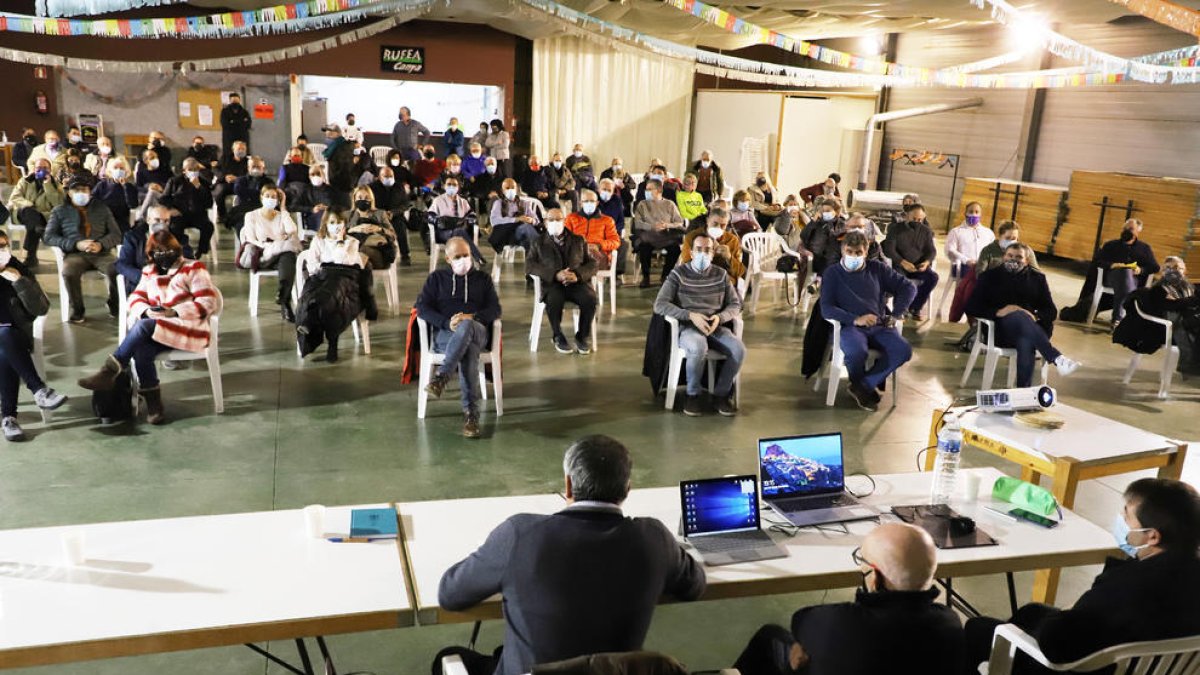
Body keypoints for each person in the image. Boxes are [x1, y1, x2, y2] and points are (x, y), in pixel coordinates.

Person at [438, 435, 706, 674]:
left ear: (568, 485)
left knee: (449, 657)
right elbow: (694, 585)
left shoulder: (519, 535)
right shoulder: (655, 539)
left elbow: (450, 594)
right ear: (627, 489)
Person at [965, 478, 1200, 674]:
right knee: (1032, 612)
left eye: (1127, 515)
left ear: (1153, 536)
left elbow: (1054, 646)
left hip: (1085, 665)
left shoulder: (1125, 586)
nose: (1121, 518)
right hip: (1155, 663)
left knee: (979, 628)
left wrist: (1070, 610)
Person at [735, 523, 962, 675]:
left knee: (769, 636)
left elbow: (801, 620)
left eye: (862, 561)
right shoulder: (951, 623)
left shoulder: (838, 622)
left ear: (874, 576)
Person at [78, 230, 222, 425]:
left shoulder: (194, 268)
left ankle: (109, 370)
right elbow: (135, 298)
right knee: (141, 349)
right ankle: (155, 406)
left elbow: (208, 301)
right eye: (158, 252)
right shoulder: (149, 272)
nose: (164, 255)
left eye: (168, 250)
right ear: (151, 254)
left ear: (177, 250)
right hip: (160, 329)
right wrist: (146, 310)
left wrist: (174, 311)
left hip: (189, 329)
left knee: (143, 326)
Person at [415, 237, 502, 438]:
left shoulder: (483, 279)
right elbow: (422, 308)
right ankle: (471, 415)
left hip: (477, 329)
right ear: (448, 259)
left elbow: (495, 309)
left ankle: (442, 376)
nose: (463, 260)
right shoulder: (436, 279)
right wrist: (447, 323)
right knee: (468, 350)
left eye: (466, 255)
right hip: (446, 334)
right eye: (458, 257)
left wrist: (471, 317)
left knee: (468, 326)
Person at [820, 230, 916, 412]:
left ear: (865, 252)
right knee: (857, 351)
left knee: (902, 350)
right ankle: (862, 387)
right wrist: (855, 319)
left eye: (858, 252)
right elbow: (826, 308)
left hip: (879, 325)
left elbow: (908, 287)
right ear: (842, 250)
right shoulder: (832, 273)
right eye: (849, 251)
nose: (853, 256)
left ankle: (863, 386)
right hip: (849, 327)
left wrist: (896, 313)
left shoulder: (877, 269)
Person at [653, 232, 745, 416]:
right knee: (697, 347)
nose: (703, 254)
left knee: (738, 350)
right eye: (699, 249)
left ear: (713, 253)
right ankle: (692, 394)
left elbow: (736, 304)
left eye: (708, 250)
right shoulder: (678, 274)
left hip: (716, 326)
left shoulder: (721, 274)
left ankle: (721, 394)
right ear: (691, 252)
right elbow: (660, 304)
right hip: (690, 327)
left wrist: (720, 318)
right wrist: (690, 315)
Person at [965, 243, 1080, 387]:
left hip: (1030, 331)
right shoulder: (989, 277)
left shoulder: (1038, 279)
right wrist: (999, 312)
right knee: (1019, 319)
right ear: (1004, 257)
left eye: (1019, 257)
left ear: (1026, 261)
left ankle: (1022, 392)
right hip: (999, 331)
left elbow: (1051, 311)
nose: (1013, 259)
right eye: (1010, 255)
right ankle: (1056, 358)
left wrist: (1034, 315)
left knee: (1025, 339)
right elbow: (971, 307)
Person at [0, 230, 68, 441]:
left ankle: (9, 417)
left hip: (17, 337)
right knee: (4, 344)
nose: (1, 251)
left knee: (5, 339)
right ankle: (38, 391)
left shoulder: (19, 270)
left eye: (3, 246)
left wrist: (19, 282)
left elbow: (41, 308)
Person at [296, 209, 377, 363]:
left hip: (345, 278)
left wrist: (340, 242)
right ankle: (331, 343)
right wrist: (324, 267)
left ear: (344, 224)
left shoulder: (352, 242)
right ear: (326, 224)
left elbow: (343, 262)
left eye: (339, 222)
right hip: (321, 277)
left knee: (333, 293)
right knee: (312, 298)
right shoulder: (318, 240)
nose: (336, 226)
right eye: (332, 222)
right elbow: (312, 264)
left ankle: (311, 320)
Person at [44, 177, 122, 324]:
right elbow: (49, 237)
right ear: (69, 193)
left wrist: (101, 244)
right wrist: (75, 244)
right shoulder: (59, 211)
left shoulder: (102, 208)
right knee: (69, 272)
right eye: (76, 190)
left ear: (90, 192)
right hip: (75, 254)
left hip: (101, 253)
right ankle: (78, 309)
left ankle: (115, 303)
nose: (80, 193)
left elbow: (116, 234)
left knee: (116, 269)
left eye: (84, 189)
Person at [527, 208, 598, 355]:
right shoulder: (538, 242)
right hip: (552, 284)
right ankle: (557, 335)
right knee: (554, 300)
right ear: (545, 222)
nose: (555, 223)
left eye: (558, 219)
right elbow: (530, 265)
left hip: (576, 283)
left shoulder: (578, 240)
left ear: (564, 221)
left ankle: (582, 336)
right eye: (551, 220)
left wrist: (578, 275)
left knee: (590, 299)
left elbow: (592, 263)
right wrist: (554, 275)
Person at [1113, 256, 1200, 375]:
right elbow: (1169, 307)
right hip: (1169, 331)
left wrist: (1185, 302)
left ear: (1185, 272)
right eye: (1169, 268)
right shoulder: (1158, 289)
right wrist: (1189, 302)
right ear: (1163, 271)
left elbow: (1182, 304)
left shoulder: (1190, 288)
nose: (1174, 271)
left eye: (1179, 268)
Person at [240, 185, 300, 322]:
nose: (270, 199)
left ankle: (283, 296)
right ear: (262, 197)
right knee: (288, 253)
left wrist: (283, 208)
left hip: (281, 255)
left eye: (274, 197)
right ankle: (285, 303)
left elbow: (292, 230)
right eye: (267, 196)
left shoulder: (281, 215)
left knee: (287, 255)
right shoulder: (251, 215)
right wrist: (271, 245)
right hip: (262, 255)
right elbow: (250, 238)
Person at [115, 205, 194, 296]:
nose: (162, 225)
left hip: (172, 286)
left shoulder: (178, 238)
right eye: (157, 220)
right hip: (143, 286)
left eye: (166, 221)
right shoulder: (133, 237)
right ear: (148, 220)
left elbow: (189, 260)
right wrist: (143, 278)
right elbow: (122, 264)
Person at [1099, 218, 1160, 327]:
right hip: (1112, 278)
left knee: (1126, 275)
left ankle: (1117, 319)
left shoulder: (1144, 248)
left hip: (1134, 280)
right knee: (1124, 274)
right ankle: (1121, 319)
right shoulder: (1110, 245)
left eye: (1131, 229)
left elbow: (1155, 267)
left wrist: (1140, 270)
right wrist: (1113, 265)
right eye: (1124, 228)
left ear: (1138, 232)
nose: (1126, 231)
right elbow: (1098, 261)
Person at [882, 203, 938, 321]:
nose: (917, 222)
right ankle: (900, 311)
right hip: (900, 265)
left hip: (918, 266)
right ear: (907, 216)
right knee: (901, 282)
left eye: (920, 220)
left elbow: (931, 251)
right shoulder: (895, 229)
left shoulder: (926, 231)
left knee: (933, 278)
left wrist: (926, 262)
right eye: (914, 219)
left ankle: (915, 308)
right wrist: (902, 262)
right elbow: (889, 249)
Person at [6, 157, 64, 268]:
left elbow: (58, 203)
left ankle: (30, 258)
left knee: (34, 226)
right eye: (38, 168)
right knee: (30, 213)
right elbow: (14, 198)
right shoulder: (25, 181)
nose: (41, 170)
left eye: (45, 168)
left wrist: (48, 185)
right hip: (23, 213)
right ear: (34, 169)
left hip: (43, 217)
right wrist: (28, 204)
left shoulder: (56, 184)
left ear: (50, 170)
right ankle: (37, 232)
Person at [633, 180, 686, 288]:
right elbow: (637, 223)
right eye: (646, 189)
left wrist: (667, 225)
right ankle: (646, 277)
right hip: (649, 236)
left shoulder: (669, 204)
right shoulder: (642, 204)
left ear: (658, 190)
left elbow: (679, 222)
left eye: (649, 189)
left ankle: (665, 275)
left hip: (666, 236)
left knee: (675, 249)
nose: (646, 191)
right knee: (644, 247)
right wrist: (651, 226)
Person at [159, 157, 214, 258]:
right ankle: (180, 250)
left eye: (196, 169)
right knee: (174, 228)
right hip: (180, 213)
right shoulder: (174, 181)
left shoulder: (204, 183)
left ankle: (201, 251)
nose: (193, 172)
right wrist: (172, 209)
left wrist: (199, 188)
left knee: (208, 227)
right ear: (184, 171)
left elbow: (209, 203)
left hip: (197, 214)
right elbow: (163, 199)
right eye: (190, 169)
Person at [681, 208, 745, 282]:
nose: (718, 228)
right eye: (715, 224)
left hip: (723, 280)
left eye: (723, 225)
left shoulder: (732, 240)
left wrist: (729, 257)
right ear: (707, 221)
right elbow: (686, 264)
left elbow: (740, 272)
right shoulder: (691, 237)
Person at [565, 189, 621, 273]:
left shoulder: (607, 220)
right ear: (581, 203)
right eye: (586, 201)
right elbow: (565, 238)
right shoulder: (571, 218)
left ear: (597, 203)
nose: (589, 203)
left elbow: (615, 241)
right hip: (577, 252)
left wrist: (599, 245)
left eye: (592, 201)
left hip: (598, 253)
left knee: (592, 255)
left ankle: (580, 275)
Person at [369, 167, 413, 266]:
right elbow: (371, 205)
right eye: (386, 176)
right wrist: (382, 214)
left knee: (401, 228)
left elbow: (405, 204)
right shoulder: (372, 188)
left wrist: (393, 212)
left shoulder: (399, 186)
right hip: (378, 217)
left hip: (395, 216)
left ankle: (405, 255)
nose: (389, 178)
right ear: (379, 177)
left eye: (391, 176)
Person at [346, 187, 398, 271]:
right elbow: (340, 235)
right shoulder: (348, 215)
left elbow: (393, 235)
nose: (363, 200)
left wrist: (379, 229)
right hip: (354, 254)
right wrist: (354, 229)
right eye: (360, 197)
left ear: (371, 199)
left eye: (367, 198)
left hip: (377, 253)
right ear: (354, 199)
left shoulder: (380, 214)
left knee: (361, 250)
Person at [488, 178, 544, 255]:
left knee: (526, 241)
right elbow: (494, 221)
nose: (510, 190)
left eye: (513, 187)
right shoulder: (498, 203)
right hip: (507, 233)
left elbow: (536, 220)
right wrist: (517, 219)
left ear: (516, 189)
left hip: (522, 234)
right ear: (503, 190)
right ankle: (542, 250)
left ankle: (534, 257)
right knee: (526, 227)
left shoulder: (524, 203)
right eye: (507, 188)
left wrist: (531, 220)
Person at [945, 201, 995, 279]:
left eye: (977, 212)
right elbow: (950, 250)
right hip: (963, 265)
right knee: (978, 275)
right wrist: (966, 260)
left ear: (980, 214)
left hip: (983, 265)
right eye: (971, 212)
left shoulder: (988, 232)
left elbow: (993, 250)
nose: (974, 214)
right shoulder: (956, 231)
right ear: (965, 213)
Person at [225, 156, 273, 234]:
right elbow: (238, 190)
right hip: (243, 210)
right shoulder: (241, 180)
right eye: (253, 166)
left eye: (258, 167)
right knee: (240, 223)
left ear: (263, 168)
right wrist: (260, 193)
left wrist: (248, 193)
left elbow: (270, 195)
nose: (256, 169)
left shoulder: (269, 181)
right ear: (248, 168)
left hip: (261, 209)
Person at [92, 157, 139, 234]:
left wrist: (125, 186)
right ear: (110, 170)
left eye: (121, 168)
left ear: (126, 171)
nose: (118, 170)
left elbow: (133, 205)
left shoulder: (130, 187)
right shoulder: (102, 185)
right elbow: (92, 201)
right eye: (115, 168)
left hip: (121, 222)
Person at [596, 177, 629, 278]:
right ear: (599, 189)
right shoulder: (594, 200)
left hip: (612, 233)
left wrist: (612, 232)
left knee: (623, 244)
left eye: (609, 190)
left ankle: (616, 273)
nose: (606, 192)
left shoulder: (617, 200)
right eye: (604, 189)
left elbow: (621, 221)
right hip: (596, 233)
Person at [212, 140, 249, 222]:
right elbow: (215, 169)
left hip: (240, 184)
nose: (241, 151)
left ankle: (240, 215)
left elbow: (249, 175)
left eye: (243, 149)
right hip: (224, 183)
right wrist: (225, 177)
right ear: (233, 150)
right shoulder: (225, 158)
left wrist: (237, 178)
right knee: (219, 192)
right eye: (239, 149)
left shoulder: (248, 162)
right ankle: (222, 216)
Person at [321, 124, 355, 208]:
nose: (327, 136)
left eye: (330, 134)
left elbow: (343, 168)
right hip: (335, 184)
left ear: (337, 133)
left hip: (342, 186)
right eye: (326, 134)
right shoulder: (333, 147)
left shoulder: (344, 147)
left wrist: (332, 181)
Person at [220, 92, 252, 157]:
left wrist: (233, 121)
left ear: (239, 100)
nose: (235, 102)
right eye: (233, 100)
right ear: (230, 101)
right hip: (229, 139)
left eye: (236, 100)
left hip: (242, 137)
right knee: (229, 156)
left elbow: (248, 124)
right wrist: (241, 122)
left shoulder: (244, 112)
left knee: (243, 155)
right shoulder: (225, 111)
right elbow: (225, 124)